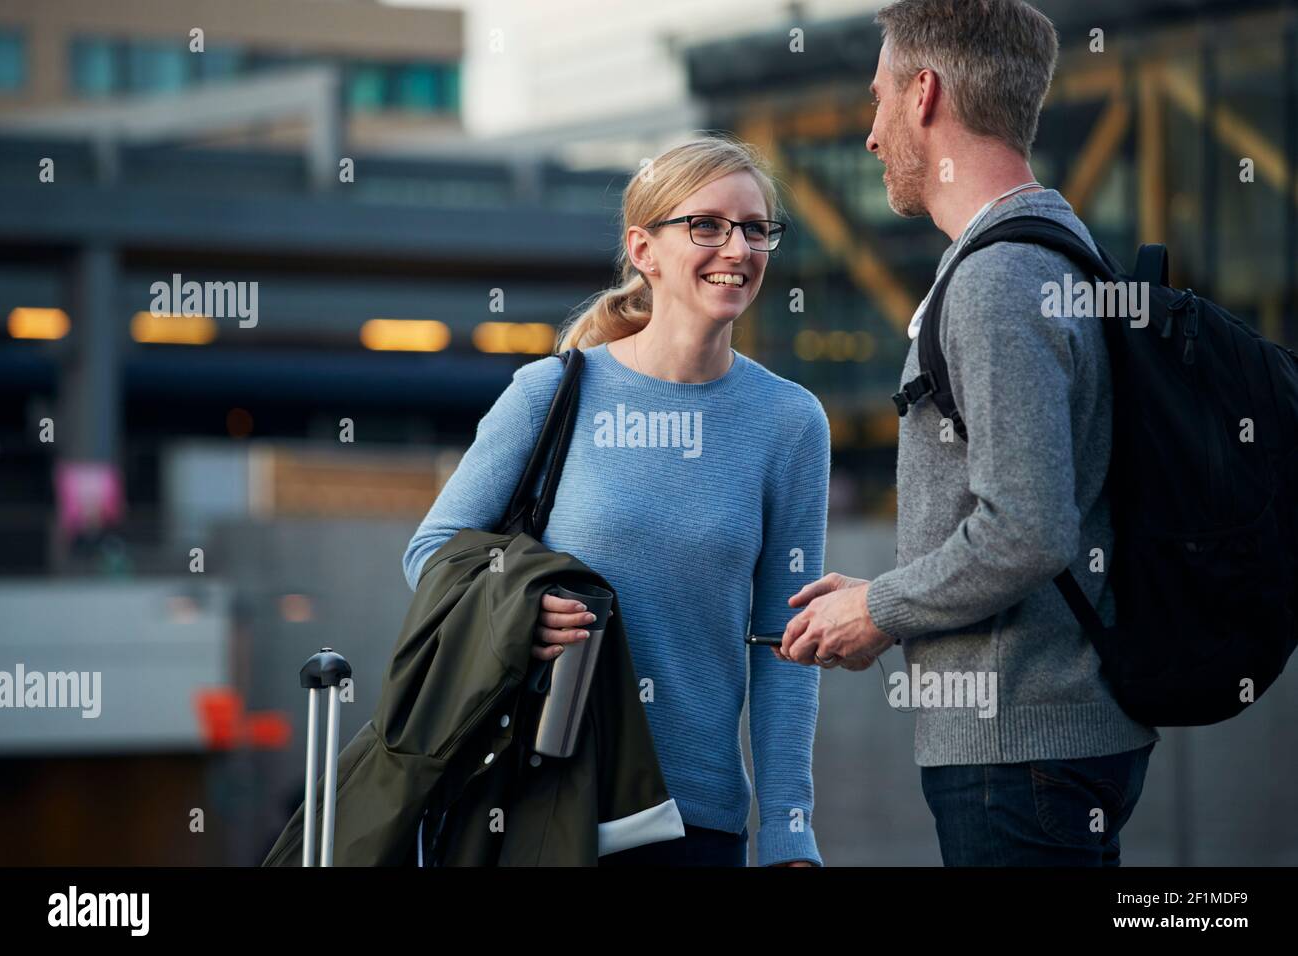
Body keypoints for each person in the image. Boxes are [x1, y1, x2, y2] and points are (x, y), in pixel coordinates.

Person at [778, 0, 1159, 865]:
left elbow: (1027, 529)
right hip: (1048, 738)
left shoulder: (999, 278)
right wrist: (894, 589)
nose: (871, 134)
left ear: (923, 95)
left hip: (1017, 748)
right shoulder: (1055, 245)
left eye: (877, 99)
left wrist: (878, 609)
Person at [404, 137, 830, 867]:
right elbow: (431, 554)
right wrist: (519, 609)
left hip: (697, 825)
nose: (738, 248)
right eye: (707, 225)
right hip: (540, 805)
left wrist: (789, 829)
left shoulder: (790, 421)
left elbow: (785, 645)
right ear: (643, 249)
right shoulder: (551, 393)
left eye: (756, 229)